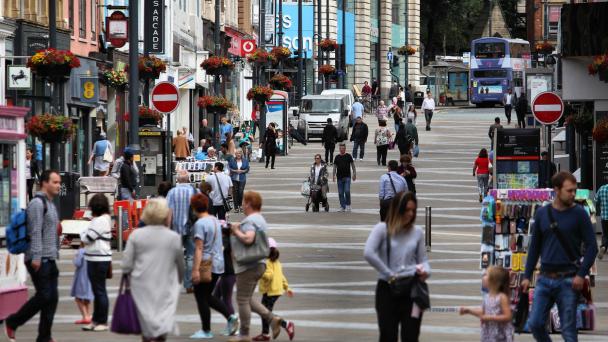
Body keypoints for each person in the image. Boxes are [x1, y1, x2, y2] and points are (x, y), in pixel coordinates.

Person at [522, 172, 598, 342]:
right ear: (557, 190)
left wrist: (581, 274)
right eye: (569, 191)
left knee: (569, 332)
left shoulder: (579, 214)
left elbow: (592, 246)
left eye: (574, 191)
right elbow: (534, 248)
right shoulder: (543, 213)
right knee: (535, 324)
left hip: (569, 280)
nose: (573, 194)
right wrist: (527, 276)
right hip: (544, 279)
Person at [228, 191, 295, 342]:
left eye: (244, 202)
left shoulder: (250, 220)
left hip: (248, 265)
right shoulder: (260, 219)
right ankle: (273, 320)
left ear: (249, 204)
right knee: (248, 299)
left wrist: (235, 230)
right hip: (260, 264)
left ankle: (244, 334)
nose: (243, 205)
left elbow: (248, 238)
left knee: (242, 300)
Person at [364, 192, 431, 342]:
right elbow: (368, 252)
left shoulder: (417, 232)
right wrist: (389, 274)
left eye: (413, 210)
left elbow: (423, 260)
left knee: (411, 336)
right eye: (407, 210)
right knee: (388, 335)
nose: (410, 214)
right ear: (397, 209)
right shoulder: (382, 229)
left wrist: (426, 270)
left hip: (412, 290)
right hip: (388, 289)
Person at [5, 170, 61, 342]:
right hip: (39, 258)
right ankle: (13, 322)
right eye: (55, 182)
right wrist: (36, 257)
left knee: (52, 298)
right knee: (44, 295)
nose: (58, 185)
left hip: (50, 257)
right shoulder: (37, 204)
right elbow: (35, 232)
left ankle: (45, 336)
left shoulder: (50, 203)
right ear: (44, 183)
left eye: (59, 182)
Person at [122, 198, 185, 342]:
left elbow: (126, 264)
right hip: (165, 286)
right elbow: (180, 264)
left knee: (145, 324)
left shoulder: (136, 235)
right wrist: (180, 280)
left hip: (141, 286)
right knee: (162, 323)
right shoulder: (173, 237)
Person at [190, 193, 239, 338]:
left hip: (205, 264)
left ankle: (206, 330)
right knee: (207, 296)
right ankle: (230, 317)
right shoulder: (215, 220)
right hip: (219, 264)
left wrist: (195, 270)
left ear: (194, 208)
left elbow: (199, 248)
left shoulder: (200, 224)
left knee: (201, 296)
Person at [79, 193, 112, 332]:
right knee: (98, 290)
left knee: (99, 291)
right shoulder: (104, 219)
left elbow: (87, 237)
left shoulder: (99, 221)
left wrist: (82, 233)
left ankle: (101, 321)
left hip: (97, 258)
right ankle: (96, 320)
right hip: (98, 258)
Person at [253, 238, 294, 342]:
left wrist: (260, 272)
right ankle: (265, 334)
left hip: (270, 292)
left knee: (265, 312)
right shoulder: (276, 261)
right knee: (265, 312)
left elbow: (269, 276)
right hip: (275, 290)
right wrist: (286, 287)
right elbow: (281, 276)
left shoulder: (266, 262)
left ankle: (286, 324)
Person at [460, 266, 513, 342]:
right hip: (489, 334)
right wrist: (469, 311)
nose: (483, 276)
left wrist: (489, 317)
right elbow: (483, 312)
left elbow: (508, 316)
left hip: (500, 335)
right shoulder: (487, 296)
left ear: (494, 281)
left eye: (486, 275)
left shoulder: (502, 297)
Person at [166, 170, 199, 293]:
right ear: (189, 179)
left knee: (173, 257)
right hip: (191, 228)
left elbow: (169, 212)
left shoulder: (172, 192)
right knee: (190, 256)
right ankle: (189, 284)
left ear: (178, 180)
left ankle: (172, 283)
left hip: (176, 229)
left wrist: (167, 228)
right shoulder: (195, 192)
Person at [70, 243, 93, 325]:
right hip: (90, 277)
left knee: (78, 298)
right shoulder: (92, 251)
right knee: (87, 298)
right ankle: (89, 316)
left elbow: (77, 263)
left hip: (81, 277)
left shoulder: (81, 251)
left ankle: (85, 316)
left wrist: (75, 257)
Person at [333, 143, 357, 212]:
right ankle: (342, 206)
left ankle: (348, 205)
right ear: (339, 149)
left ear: (345, 149)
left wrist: (354, 173)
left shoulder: (348, 156)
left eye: (343, 148)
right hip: (339, 178)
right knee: (340, 193)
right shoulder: (337, 157)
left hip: (347, 177)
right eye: (340, 148)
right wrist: (333, 175)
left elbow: (353, 166)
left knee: (347, 191)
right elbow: (334, 167)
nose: (342, 150)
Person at [595, 182, 608, 259]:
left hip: (604, 216)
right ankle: (604, 246)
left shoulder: (602, 188)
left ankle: (603, 246)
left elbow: (596, 200)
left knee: (605, 233)